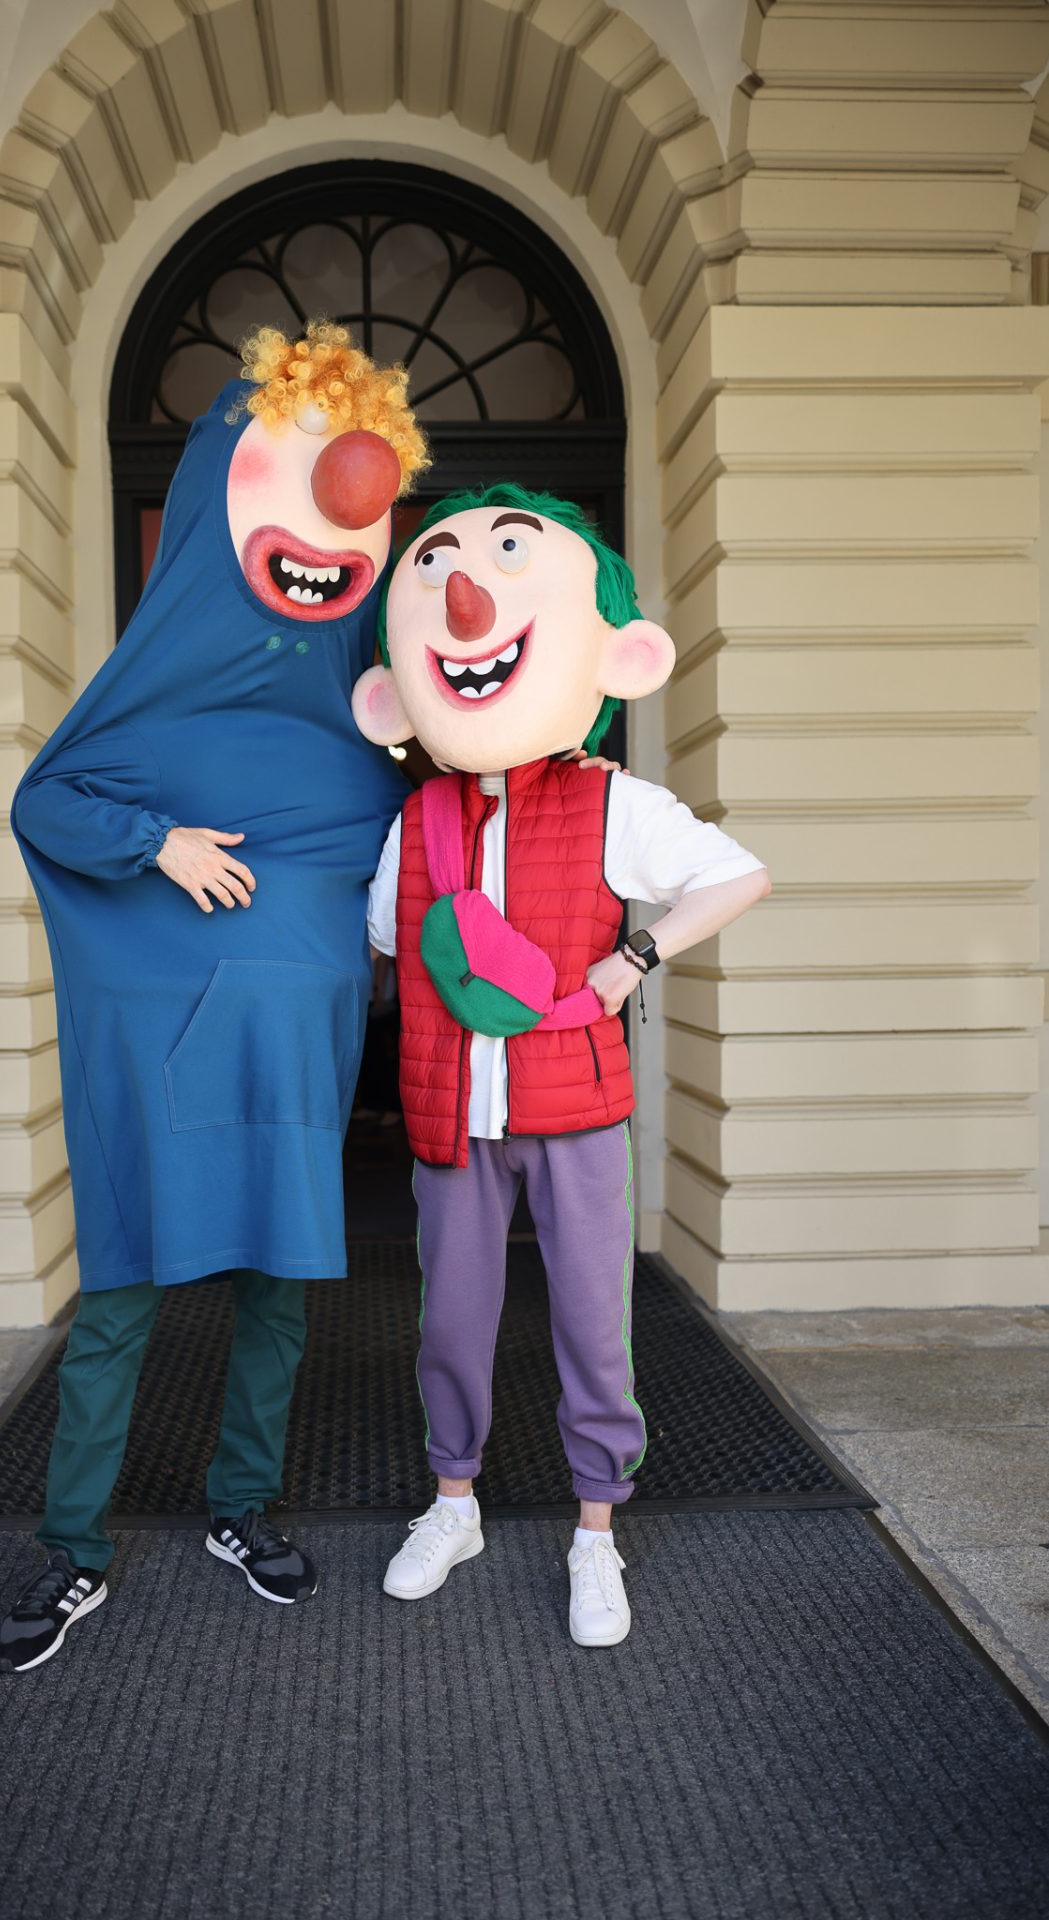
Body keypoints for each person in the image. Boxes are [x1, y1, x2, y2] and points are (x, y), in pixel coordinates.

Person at [0, 325, 427, 1672]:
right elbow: (44, 801)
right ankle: (74, 1548)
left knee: (276, 1293)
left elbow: (437, 842)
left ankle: (240, 1505)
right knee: (120, 1300)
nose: (342, 495)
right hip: (155, 1060)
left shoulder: (367, 726)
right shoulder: (145, 705)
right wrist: (156, 844)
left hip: (287, 1059)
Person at [352, 484, 771, 1648]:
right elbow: (387, 937)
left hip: (575, 1108)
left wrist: (634, 957)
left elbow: (737, 877)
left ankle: (596, 1531)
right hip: (451, 1117)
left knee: (593, 1324)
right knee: (451, 1322)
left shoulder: (611, 802)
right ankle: (454, 1505)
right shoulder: (415, 820)